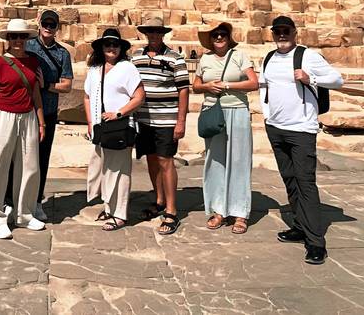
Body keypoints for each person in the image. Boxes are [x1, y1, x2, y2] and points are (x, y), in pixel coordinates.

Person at [260, 15, 343, 265]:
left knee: (306, 182)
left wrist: (311, 79)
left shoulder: (308, 56)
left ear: (295, 33)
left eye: (286, 31)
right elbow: (265, 87)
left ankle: (316, 242)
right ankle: (299, 226)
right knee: (290, 180)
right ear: (272, 34)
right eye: (278, 32)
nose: (282, 35)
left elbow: (338, 80)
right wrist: (267, 116)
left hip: (301, 130)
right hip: (276, 128)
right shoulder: (269, 57)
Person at [0, 18, 46, 239]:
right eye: (14, 36)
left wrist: (41, 121)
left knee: (30, 166)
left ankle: (24, 213)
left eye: (22, 36)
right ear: (8, 39)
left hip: (28, 116)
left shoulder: (33, 62)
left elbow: (35, 93)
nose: (18, 40)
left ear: (27, 39)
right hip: (3, 116)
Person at [5, 9, 73, 221]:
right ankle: (10, 201)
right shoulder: (27, 45)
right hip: (24, 110)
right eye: (46, 23)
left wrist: (47, 85)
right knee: (16, 157)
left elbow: (67, 85)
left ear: (57, 28)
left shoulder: (63, 54)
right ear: (38, 23)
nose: (48, 28)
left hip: (49, 112)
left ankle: (35, 201)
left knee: (41, 158)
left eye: (52, 25)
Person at [192, 22, 258, 235]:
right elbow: (196, 85)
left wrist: (227, 86)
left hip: (237, 110)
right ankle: (218, 209)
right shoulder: (205, 59)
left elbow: (253, 83)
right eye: (215, 35)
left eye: (223, 35)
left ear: (229, 37)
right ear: (210, 39)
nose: (219, 38)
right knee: (215, 160)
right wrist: (207, 87)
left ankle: (240, 212)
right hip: (213, 112)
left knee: (239, 161)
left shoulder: (239, 56)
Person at [132, 15, 190, 236]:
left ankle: (172, 210)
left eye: (158, 31)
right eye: (150, 32)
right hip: (144, 120)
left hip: (166, 120)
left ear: (163, 34)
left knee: (166, 162)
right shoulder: (135, 57)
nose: (154, 35)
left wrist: (181, 121)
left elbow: (183, 89)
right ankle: (158, 201)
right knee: (151, 160)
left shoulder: (175, 58)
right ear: (145, 34)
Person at [84, 28, 145, 231]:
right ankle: (109, 208)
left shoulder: (127, 68)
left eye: (115, 44)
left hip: (120, 126)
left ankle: (119, 214)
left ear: (121, 48)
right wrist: (90, 122)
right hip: (100, 128)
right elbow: (87, 96)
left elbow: (139, 97)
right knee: (103, 169)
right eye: (108, 44)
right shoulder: (94, 69)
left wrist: (118, 113)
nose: (111, 48)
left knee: (119, 170)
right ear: (101, 47)